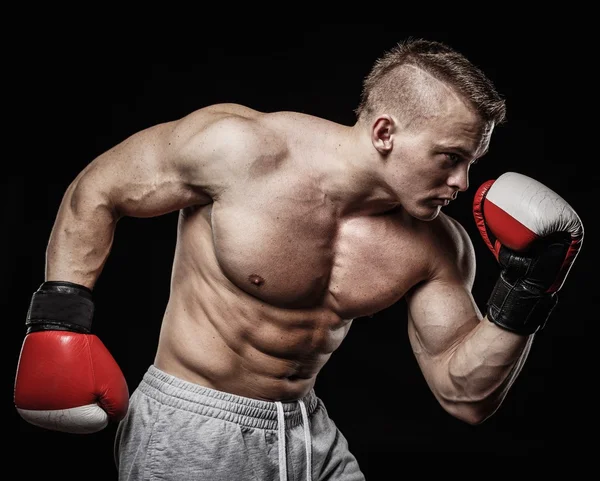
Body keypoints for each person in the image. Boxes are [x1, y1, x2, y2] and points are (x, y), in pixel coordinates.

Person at [14, 38, 583, 480]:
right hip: (194, 425)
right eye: (450, 158)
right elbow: (99, 189)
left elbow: (463, 394)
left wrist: (527, 292)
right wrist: (60, 319)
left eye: (472, 161)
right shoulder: (241, 149)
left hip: (305, 430)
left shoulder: (438, 244)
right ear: (385, 131)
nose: (463, 181)